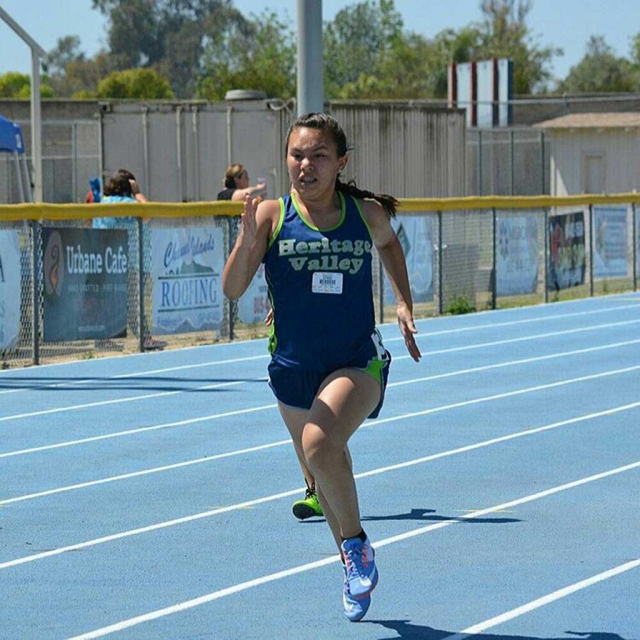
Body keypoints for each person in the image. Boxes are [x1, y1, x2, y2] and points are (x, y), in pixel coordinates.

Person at [222, 113, 421, 622]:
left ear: (341, 163)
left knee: (317, 443)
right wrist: (246, 244)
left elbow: (391, 245)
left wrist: (402, 301)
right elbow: (232, 289)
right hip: (292, 366)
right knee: (325, 469)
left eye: (318, 156)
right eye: (297, 155)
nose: (305, 165)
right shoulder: (270, 214)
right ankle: (353, 561)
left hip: (356, 361)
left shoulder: (365, 213)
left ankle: (356, 546)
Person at [95, 169, 166, 351]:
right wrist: (137, 192)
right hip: (130, 261)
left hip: (107, 260)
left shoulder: (103, 201)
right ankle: (144, 338)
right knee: (135, 302)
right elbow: (148, 211)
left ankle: (102, 339)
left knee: (111, 301)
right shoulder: (130, 203)